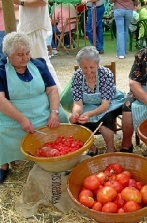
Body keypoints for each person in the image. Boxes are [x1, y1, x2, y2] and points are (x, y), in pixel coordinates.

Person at [0, 32, 68, 183]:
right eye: (19, 55)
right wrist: (22, 119)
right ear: (8, 55)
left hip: (42, 111)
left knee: (62, 118)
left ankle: (58, 156)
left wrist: (54, 112)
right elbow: (1, 100)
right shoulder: (2, 69)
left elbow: (52, 90)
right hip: (13, 116)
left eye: (27, 53)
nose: (25, 58)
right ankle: (3, 164)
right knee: (2, 131)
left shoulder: (39, 64)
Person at [68, 46, 126, 154]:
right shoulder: (77, 76)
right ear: (80, 66)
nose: (88, 71)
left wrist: (90, 114)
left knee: (106, 118)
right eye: (84, 68)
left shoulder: (105, 74)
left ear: (97, 65)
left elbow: (105, 105)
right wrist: (75, 113)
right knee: (77, 122)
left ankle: (110, 148)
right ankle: (92, 148)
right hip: (87, 104)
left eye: (92, 67)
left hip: (107, 103)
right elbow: (78, 103)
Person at [14, 0, 62, 94]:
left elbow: (41, 2)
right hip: (28, 27)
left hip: (35, 28)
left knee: (42, 62)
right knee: (31, 63)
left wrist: (21, 2)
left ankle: (57, 93)